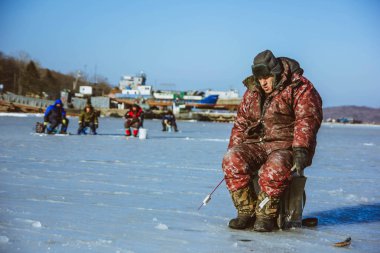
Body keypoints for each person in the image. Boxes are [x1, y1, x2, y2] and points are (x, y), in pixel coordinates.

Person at [222, 50, 323, 232]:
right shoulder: (252, 91)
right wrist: (234, 148)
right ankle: (246, 211)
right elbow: (241, 122)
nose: (263, 82)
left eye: (267, 77)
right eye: (260, 78)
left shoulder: (299, 86)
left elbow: (307, 118)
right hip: (257, 144)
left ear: (276, 73)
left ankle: (265, 215)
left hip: (286, 145)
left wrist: (301, 149)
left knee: (275, 167)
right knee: (232, 159)